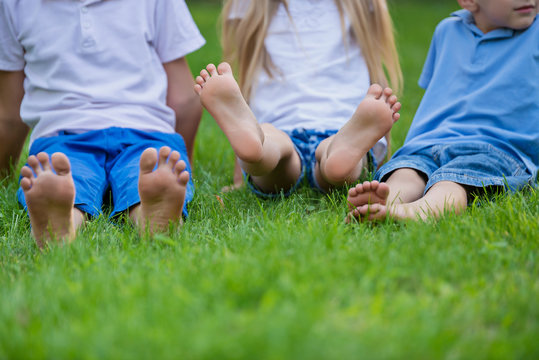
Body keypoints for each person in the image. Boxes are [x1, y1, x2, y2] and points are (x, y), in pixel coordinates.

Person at [0, 0, 205, 247]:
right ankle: (148, 215)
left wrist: (3, 174)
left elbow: (9, 113)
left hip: (67, 136)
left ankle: (66, 220)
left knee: (61, 173)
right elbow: (184, 99)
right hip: (144, 133)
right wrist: (182, 165)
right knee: (147, 173)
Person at [347, 0, 538, 221]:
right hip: (428, 143)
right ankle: (387, 200)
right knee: (407, 171)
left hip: (495, 148)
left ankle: (417, 212)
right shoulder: (447, 32)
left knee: (453, 180)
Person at [194, 0, 402, 197]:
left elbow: (249, 77)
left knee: (269, 147)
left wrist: (239, 178)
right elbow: (375, 70)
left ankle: (259, 151)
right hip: (343, 126)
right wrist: (383, 164)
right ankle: (337, 157)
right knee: (340, 158)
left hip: (279, 126)